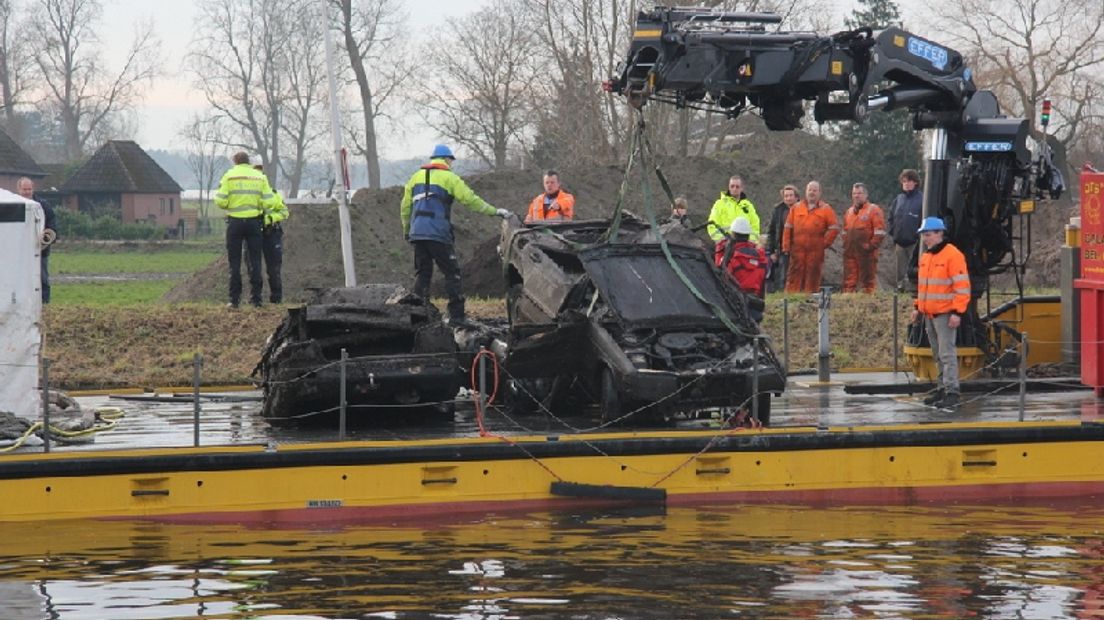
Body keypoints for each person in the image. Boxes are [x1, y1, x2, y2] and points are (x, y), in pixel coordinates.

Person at [400, 144, 509, 325]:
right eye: (451, 161)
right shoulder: (449, 178)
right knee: (452, 273)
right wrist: (494, 211)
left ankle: (417, 314)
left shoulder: (415, 177)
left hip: (417, 233)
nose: (451, 164)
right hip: (438, 233)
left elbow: (404, 207)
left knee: (423, 273)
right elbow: (470, 199)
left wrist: (407, 230)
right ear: (446, 159)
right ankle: (457, 316)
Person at [911, 217, 970, 410]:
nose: (925, 239)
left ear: (939, 234)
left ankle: (952, 391)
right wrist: (917, 308)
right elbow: (923, 288)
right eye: (923, 235)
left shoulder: (953, 255)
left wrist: (957, 312)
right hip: (930, 314)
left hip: (945, 314)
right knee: (938, 354)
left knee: (946, 354)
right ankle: (942, 388)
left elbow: (962, 287)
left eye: (927, 235)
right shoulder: (927, 257)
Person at [214, 152, 278, 308]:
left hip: (235, 223)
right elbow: (269, 202)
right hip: (254, 223)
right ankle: (256, 299)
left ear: (235, 162)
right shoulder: (259, 177)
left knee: (234, 263)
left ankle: (234, 300)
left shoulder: (229, 176)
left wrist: (231, 204)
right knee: (255, 261)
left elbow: (220, 201)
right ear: (248, 162)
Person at [781, 180, 839, 293]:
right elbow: (788, 228)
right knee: (794, 275)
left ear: (819, 193)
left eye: (814, 190)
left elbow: (834, 229)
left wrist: (824, 244)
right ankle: (792, 298)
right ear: (805, 191)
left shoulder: (826, 209)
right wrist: (786, 246)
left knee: (813, 275)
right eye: (809, 190)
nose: (811, 192)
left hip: (815, 251)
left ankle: (810, 299)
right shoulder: (796, 208)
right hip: (797, 250)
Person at [841, 182, 886, 293]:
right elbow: (844, 231)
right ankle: (848, 299)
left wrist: (870, 246)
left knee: (868, 280)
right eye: (854, 193)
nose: (856, 196)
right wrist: (846, 244)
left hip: (867, 252)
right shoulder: (849, 212)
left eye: (859, 193)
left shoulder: (873, 210)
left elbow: (879, 232)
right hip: (850, 251)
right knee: (849, 279)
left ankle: (867, 302)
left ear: (866, 195)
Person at [254, 164, 289, 304]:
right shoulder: (247, 197)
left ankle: (276, 299)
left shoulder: (273, 194)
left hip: (271, 233)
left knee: (274, 268)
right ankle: (256, 300)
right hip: (254, 234)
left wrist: (270, 219)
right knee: (254, 268)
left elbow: (284, 212)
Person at [19, 177, 55, 304]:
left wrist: (47, 238)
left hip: (40, 250)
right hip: (20, 251)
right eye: (24, 189)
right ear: (19, 190)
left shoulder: (43, 205)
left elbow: (52, 223)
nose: (27, 192)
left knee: (42, 278)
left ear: (33, 189)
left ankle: (45, 303)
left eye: (29, 189)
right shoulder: (14, 205)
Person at [887, 169, 923, 291]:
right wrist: (893, 232)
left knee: (915, 267)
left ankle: (915, 288)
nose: (906, 184)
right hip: (899, 242)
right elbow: (891, 217)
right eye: (904, 181)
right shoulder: (899, 199)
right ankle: (900, 287)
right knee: (900, 269)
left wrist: (919, 237)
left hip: (915, 242)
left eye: (909, 181)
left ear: (916, 183)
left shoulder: (922, 199)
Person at [714, 218, 767, 299]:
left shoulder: (730, 256)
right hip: (754, 300)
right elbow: (762, 280)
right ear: (748, 234)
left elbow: (720, 273)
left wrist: (720, 248)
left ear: (733, 233)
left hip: (733, 300)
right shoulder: (760, 257)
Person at [763, 185, 798, 293]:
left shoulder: (803, 209)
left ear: (796, 197)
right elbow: (772, 232)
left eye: (791, 195)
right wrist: (770, 251)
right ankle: (783, 298)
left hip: (799, 248)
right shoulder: (778, 211)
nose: (788, 198)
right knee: (783, 277)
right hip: (783, 249)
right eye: (786, 196)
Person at [707, 175, 759, 243]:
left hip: (743, 247)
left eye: (737, 187)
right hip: (725, 248)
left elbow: (755, 227)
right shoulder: (719, 204)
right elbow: (712, 226)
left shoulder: (749, 207)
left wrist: (749, 243)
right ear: (729, 187)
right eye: (732, 186)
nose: (734, 189)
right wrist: (723, 241)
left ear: (742, 188)